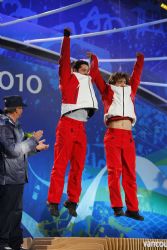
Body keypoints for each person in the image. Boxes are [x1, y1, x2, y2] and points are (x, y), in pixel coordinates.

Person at [47, 29, 99, 217]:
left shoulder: (88, 82)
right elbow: (64, 58)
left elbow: (94, 71)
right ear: (74, 70)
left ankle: (73, 200)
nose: (87, 73)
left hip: (80, 128)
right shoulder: (68, 78)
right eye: (83, 70)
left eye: (88, 70)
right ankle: (53, 201)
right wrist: (66, 39)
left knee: (78, 167)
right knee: (60, 165)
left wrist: (95, 60)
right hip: (67, 124)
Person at [94, 53, 144, 220]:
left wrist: (140, 60)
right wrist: (94, 60)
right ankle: (117, 206)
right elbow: (96, 77)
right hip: (114, 136)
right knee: (114, 172)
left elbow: (136, 76)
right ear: (113, 83)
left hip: (128, 137)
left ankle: (133, 209)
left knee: (130, 174)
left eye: (124, 82)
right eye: (119, 82)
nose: (123, 84)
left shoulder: (131, 92)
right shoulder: (108, 92)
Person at [0, 95, 49, 250]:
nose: (22, 110)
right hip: (7, 177)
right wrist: (33, 140)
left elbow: (22, 150)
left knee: (16, 213)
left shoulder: (16, 126)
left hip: (18, 176)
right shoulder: (3, 126)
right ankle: (3, 244)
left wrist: (35, 148)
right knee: (7, 213)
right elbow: (13, 151)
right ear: (16, 109)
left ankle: (15, 244)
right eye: (21, 107)